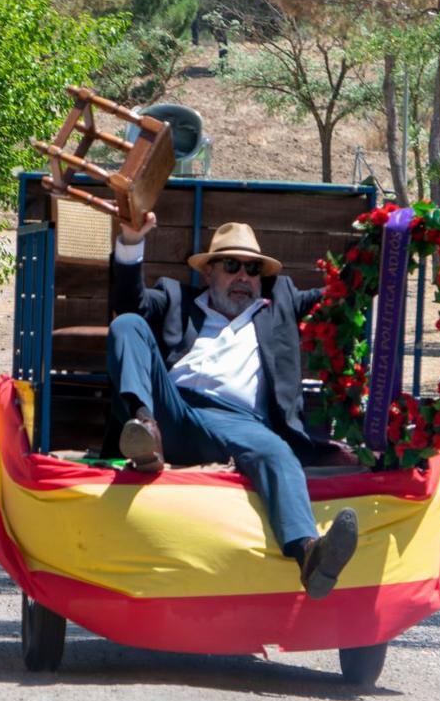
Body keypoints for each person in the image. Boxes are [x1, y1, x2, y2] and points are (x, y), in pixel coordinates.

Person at [107, 212, 358, 600]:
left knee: (277, 452)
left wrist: (386, 242)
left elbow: (345, 295)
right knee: (127, 324)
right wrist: (130, 240)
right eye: (231, 265)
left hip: (241, 424)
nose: (244, 276)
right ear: (208, 272)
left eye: (253, 268)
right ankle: (143, 430)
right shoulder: (176, 297)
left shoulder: (281, 302)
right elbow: (128, 302)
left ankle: (309, 554)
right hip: (171, 412)